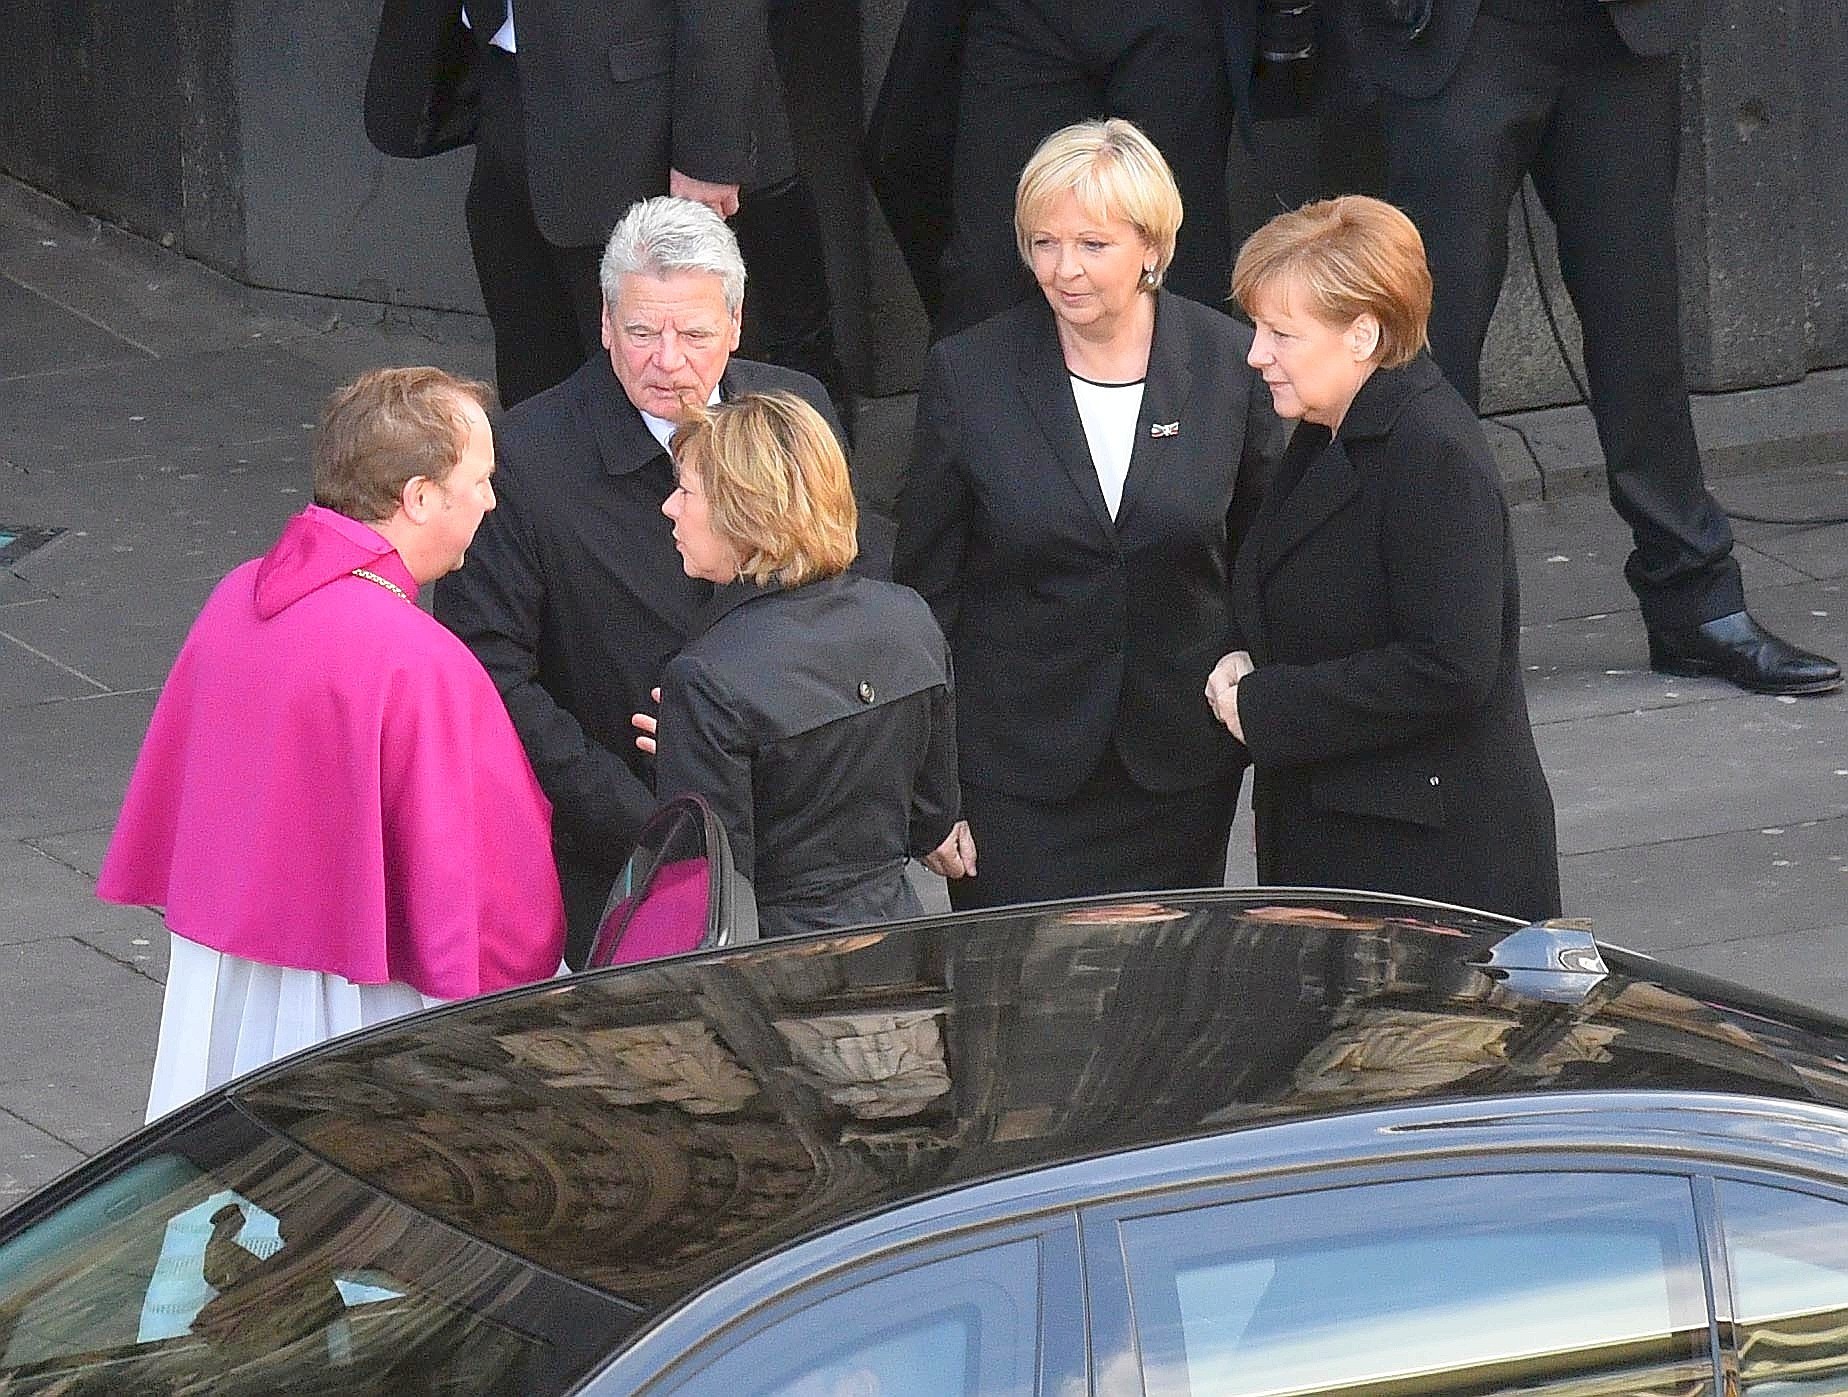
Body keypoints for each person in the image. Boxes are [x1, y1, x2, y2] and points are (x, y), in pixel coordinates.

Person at [97, 368, 566, 1121]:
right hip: (354, 1004)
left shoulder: (236, 593)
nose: (490, 499)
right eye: (477, 480)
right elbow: (487, 891)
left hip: (227, 975)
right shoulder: (417, 658)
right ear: (418, 497)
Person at [1336, 0, 1839, 696]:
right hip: (1455, 33)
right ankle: (1430, 618)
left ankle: (1696, 605)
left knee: (1641, 322)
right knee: (1428, 339)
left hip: (1616, 30)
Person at [435, 196, 844, 964]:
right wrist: (646, 817)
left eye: (693, 334)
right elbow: (487, 672)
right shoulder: (524, 457)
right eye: (641, 332)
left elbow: (833, 599)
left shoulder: (797, 412)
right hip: (618, 858)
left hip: (795, 835)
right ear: (603, 324)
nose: (667, 360)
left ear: (736, 323)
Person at [894, 119, 1283, 910]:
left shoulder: (1227, 365)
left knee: (1164, 1005)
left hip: (1178, 769)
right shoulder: (970, 375)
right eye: (1043, 242)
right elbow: (925, 596)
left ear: (1152, 245)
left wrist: (1250, 672)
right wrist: (929, 788)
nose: (1063, 270)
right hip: (1015, 778)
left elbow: (1264, 552)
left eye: (1092, 245)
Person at [1205, 196, 1560, 920]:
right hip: (1356, 838)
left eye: (1282, 333)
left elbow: (1451, 666)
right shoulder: (1326, 427)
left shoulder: (1432, 454)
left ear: (1362, 333)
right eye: (1256, 328)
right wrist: (1243, 655)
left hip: (1429, 870)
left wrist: (1266, 703)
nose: (1255, 353)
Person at [363, 0, 843, 410]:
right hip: (507, 84)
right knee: (536, 372)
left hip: (646, 114)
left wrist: (709, 150)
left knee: (675, 388)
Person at [636, 392, 966, 938]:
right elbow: (931, 817)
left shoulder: (707, 679)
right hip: (899, 936)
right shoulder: (907, 617)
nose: (670, 506)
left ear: (742, 512)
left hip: (780, 966)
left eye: (686, 491)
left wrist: (690, 746)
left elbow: (714, 887)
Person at [869, 0, 1248, 338]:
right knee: (989, 272)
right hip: (1019, 20)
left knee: (1174, 243)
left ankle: (1190, 409)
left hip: (1174, 18)